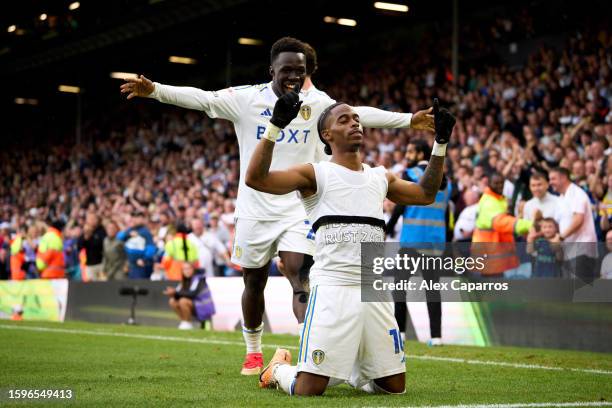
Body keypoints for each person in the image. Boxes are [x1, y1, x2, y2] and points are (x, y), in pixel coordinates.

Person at [120, 37, 434, 375]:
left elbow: (358, 114)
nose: (294, 77)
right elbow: (201, 98)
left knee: (300, 272)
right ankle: (253, 353)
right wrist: (155, 90)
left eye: (300, 71)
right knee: (254, 283)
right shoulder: (246, 99)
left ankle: (305, 346)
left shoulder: (317, 102)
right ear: (272, 70)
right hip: (254, 207)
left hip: (298, 206)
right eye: (287, 71)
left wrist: (407, 120)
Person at [246, 94, 454, 396]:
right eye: (343, 120)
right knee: (308, 389)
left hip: (373, 286)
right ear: (326, 135)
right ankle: (277, 369)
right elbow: (256, 178)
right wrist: (275, 126)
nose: (354, 123)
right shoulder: (314, 173)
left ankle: (352, 367)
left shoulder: (380, 176)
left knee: (393, 388)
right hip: (333, 286)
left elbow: (424, 194)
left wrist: (441, 142)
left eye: (356, 119)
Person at [385, 139, 452, 346]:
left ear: (422, 153)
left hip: (412, 241)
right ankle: (436, 337)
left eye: (411, 151)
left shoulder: (410, 174)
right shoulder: (446, 180)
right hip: (435, 242)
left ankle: (401, 334)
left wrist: (388, 227)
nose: (408, 154)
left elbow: (401, 205)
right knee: (432, 290)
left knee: (399, 287)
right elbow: (447, 212)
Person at [471, 173, 534, 276]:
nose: (500, 185)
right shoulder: (489, 202)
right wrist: (529, 225)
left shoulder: (498, 199)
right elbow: (501, 222)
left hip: (493, 255)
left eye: (501, 183)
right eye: (496, 183)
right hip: (489, 256)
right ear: (489, 184)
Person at [548, 167, 598, 279]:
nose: (550, 182)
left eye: (553, 179)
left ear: (564, 178)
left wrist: (560, 238)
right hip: (568, 250)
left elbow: (578, 220)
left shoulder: (577, 193)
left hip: (582, 249)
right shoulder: (560, 198)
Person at [164, 261, 215, 330]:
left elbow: (192, 293)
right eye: (184, 269)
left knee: (183, 301)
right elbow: (178, 293)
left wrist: (175, 292)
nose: (186, 271)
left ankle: (187, 323)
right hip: (194, 306)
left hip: (203, 308)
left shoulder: (199, 279)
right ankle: (185, 322)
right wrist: (173, 294)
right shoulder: (184, 281)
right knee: (172, 301)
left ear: (193, 269)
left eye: (188, 269)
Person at [117, 212, 156, 279]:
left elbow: (151, 249)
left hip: (140, 265)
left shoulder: (145, 232)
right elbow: (119, 236)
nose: (136, 220)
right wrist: (128, 235)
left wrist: (144, 259)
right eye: (135, 217)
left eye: (139, 218)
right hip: (130, 265)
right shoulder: (130, 230)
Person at [78, 212, 107, 281]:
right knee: (90, 285)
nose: (92, 221)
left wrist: (91, 235)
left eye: (94, 219)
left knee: (103, 284)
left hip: (101, 264)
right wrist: (86, 237)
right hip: (89, 265)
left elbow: (101, 244)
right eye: (90, 219)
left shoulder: (101, 230)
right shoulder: (85, 232)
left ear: (97, 220)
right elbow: (80, 247)